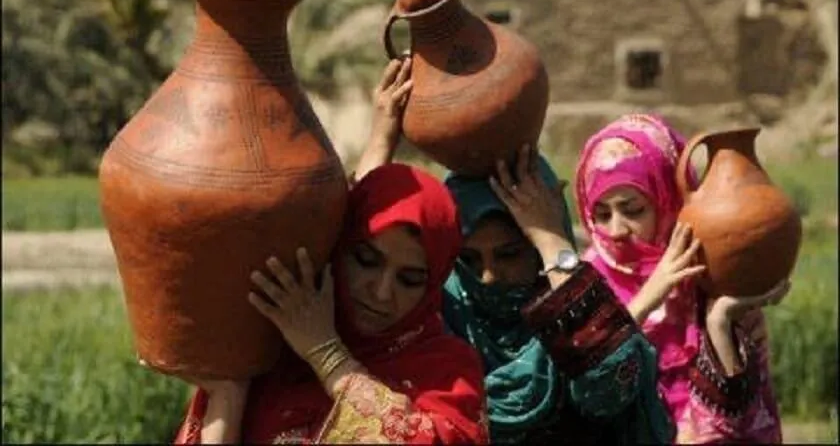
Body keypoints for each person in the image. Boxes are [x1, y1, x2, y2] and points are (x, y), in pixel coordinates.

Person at [356, 58, 674, 445]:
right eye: (469, 261)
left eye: (509, 255)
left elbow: (610, 382)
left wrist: (551, 239)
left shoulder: (577, 317)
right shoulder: (438, 321)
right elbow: (356, 260)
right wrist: (380, 142)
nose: (489, 277)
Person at [173, 162, 489, 444]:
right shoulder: (275, 342)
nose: (381, 292)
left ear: (432, 287)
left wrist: (326, 354)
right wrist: (230, 391)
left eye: (409, 280)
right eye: (366, 260)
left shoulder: (448, 374)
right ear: (339, 247)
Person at [573, 113, 789, 443]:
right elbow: (583, 390)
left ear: (667, 199)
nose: (615, 231)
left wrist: (720, 324)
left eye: (632, 210)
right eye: (601, 214)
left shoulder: (708, 271)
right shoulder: (584, 285)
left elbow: (743, 417)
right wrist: (650, 296)